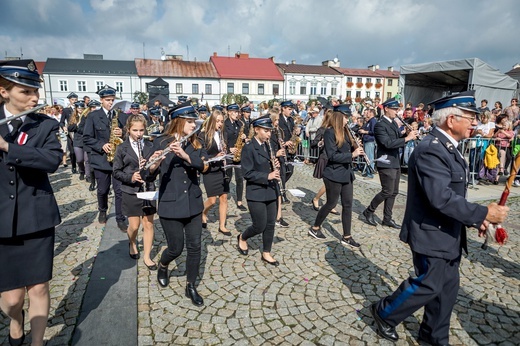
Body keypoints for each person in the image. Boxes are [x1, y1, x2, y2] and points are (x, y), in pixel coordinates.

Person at [370, 91, 509, 345]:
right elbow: (441, 197)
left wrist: (478, 219)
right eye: (470, 117)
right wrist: (483, 213)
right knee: (428, 285)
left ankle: (434, 339)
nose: (475, 122)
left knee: (446, 291)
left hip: (448, 232)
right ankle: (384, 312)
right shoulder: (431, 150)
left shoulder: (447, 147)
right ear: (451, 119)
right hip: (430, 233)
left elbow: (454, 195)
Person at [0, 59, 62, 346]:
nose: (34, 97)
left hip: (36, 216)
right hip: (2, 220)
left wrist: (7, 147)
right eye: (25, 91)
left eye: (35, 90)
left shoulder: (45, 125)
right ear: (4, 91)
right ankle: (15, 319)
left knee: (38, 288)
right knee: (11, 299)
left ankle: (37, 342)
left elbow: (51, 160)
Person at [146, 103, 207, 306]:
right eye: (190, 122)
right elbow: (147, 174)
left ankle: (191, 286)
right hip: (170, 204)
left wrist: (186, 155)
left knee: (195, 246)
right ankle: (164, 265)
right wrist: (154, 163)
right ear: (179, 122)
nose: (193, 125)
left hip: (193, 202)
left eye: (194, 122)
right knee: (175, 248)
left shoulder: (196, 143)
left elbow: (204, 166)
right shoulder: (161, 141)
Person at [309, 105, 364, 246]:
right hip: (333, 173)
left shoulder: (346, 131)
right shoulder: (329, 132)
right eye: (346, 117)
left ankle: (347, 236)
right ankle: (315, 228)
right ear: (339, 117)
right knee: (331, 203)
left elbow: (348, 148)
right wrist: (352, 155)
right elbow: (332, 156)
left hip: (346, 173)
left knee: (348, 205)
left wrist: (356, 146)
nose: (347, 120)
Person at [360, 98, 418, 229]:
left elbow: (397, 140)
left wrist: (406, 136)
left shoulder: (392, 123)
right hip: (385, 161)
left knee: (394, 191)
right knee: (387, 191)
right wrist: (407, 138)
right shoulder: (380, 125)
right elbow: (387, 143)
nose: (397, 112)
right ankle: (369, 211)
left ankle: (387, 218)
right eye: (394, 109)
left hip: (395, 160)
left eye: (397, 109)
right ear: (386, 109)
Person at [112, 114, 157, 270]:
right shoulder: (122, 148)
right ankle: (132, 242)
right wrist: (131, 177)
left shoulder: (150, 147)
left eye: (141, 130)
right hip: (130, 190)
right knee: (135, 225)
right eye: (135, 130)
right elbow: (116, 172)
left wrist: (152, 166)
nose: (138, 134)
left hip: (148, 189)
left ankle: (147, 256)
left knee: (149, 224)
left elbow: (155, 173)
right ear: (128, 129)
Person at [237, 115, 281, 266]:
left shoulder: (268, 146)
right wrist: (267, 175)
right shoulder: (249, 148)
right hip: (256, 192)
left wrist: (275, 164)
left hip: (271, 190)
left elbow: (269, 165)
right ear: (256, 130)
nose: (269, 134)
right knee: (259, 225)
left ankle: (266, 252)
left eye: (270, 131)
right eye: (266, 130)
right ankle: (242, 237)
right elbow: (247, 173)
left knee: (270, 224)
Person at [83, 85, 127, 231]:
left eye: (112, 100)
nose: (110, 103)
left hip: (117, 160)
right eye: (108, 100)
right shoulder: (93, 116)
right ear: (101, 100)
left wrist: (123, 132)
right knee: (102, 190)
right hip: (101, 159)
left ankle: (120, 217)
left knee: (119, 190)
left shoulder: (120, 116)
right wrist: (101, 145)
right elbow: (87, 138)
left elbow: (128, 135)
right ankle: (102, 209)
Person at [199, 109, 231, 235]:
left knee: (224, 198)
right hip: (210, 170)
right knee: (212, 200)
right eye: (217, 121)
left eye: (222, 121)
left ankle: (222, 225)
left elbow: (224, 149)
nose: (220, 124)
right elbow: (203, 155)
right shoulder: (204, 135)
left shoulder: (223, 134)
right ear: (212, 121)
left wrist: (227, 152)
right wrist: (215, 156)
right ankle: (203, 212)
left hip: (222, 169)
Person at [310, 109, 339, 216]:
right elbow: (313, 143)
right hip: (325, 157)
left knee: (334, 183)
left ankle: (330, 205)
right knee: (329, 183)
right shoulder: (322, 129)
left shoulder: (337, 130)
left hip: (334, 158)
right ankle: (316, 198)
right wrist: (320, 142)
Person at [224, 103, 247, 211]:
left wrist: (244, 137)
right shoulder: (224, 124)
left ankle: (239, 201)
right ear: (228, 112)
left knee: (239, 179)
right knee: (227, 177)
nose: (236, 114)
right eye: (234, 112)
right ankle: (223, 195)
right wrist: (229, 149)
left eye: (237, 112)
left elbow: (243, 137)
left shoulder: (239, 124)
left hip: (238, 154)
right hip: (228, 154)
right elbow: (222, 139)